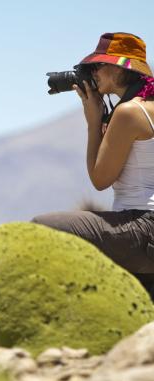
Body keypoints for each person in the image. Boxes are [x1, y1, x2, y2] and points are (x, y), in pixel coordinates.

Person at [32, 32, 154, 294]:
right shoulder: (144, 106)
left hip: (144, 227)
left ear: (119, 69)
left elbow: (100, 180)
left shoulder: (129, 112)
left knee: (41, 227)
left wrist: (92, 123)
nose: (92, 72)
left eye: (97, 65)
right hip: (146, 232)